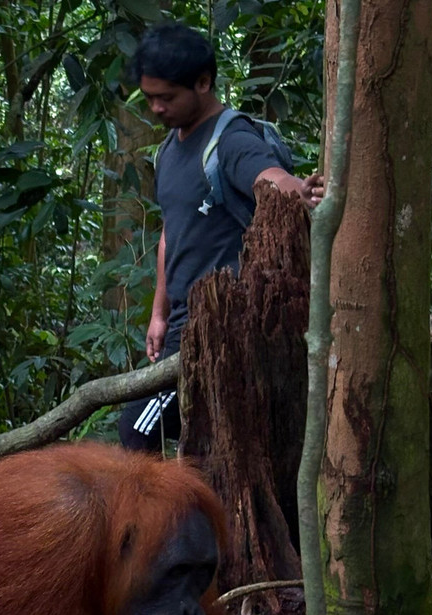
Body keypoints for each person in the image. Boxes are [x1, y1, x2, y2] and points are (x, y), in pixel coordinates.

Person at [117, 22, 323, 452]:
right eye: (150, 97)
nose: (155, 108)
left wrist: (301, 190)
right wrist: (158, 312)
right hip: (179, 329)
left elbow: (269, 177)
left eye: (166, 97)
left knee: (138, 431)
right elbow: (170, 233)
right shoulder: (168, 149)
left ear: (203, 82)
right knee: (192, 445)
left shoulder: (231, 141)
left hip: (224, 333)